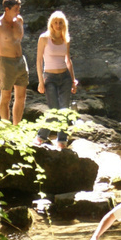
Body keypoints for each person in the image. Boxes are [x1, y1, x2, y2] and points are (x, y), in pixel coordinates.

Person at [35, 10, 77, 149]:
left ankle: (62, 141)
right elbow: (39, 60)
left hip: (64, 77)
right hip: (50, 77)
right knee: (54, 111)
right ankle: (41, 137)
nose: (58, 25)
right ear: (51, 24)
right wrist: (40, 81)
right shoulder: (44, 38)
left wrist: (73, 80)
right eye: (55, 23)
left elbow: (68, 60)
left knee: (64, 110)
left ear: (64, 24)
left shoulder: (66, 39)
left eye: (60, 23)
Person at [0, 0, 28, 125]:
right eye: (16, 8)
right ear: (7, 9)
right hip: (5, 62)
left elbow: (17, 41)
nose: (18, 11)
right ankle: (6, 128)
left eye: (19, 8)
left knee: (21, 97)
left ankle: (16, 127)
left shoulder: (19, 20)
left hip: (20, 61)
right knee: (6, 97)